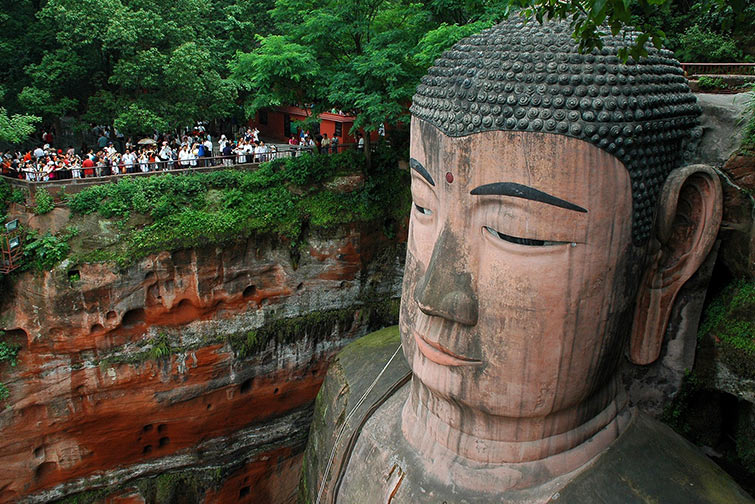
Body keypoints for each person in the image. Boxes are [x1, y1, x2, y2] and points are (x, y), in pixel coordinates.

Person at [301, 18, 753, 504]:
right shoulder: (355, 386)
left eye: (519, 234)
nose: (433, 297)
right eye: (423, 205)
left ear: (671, 251)